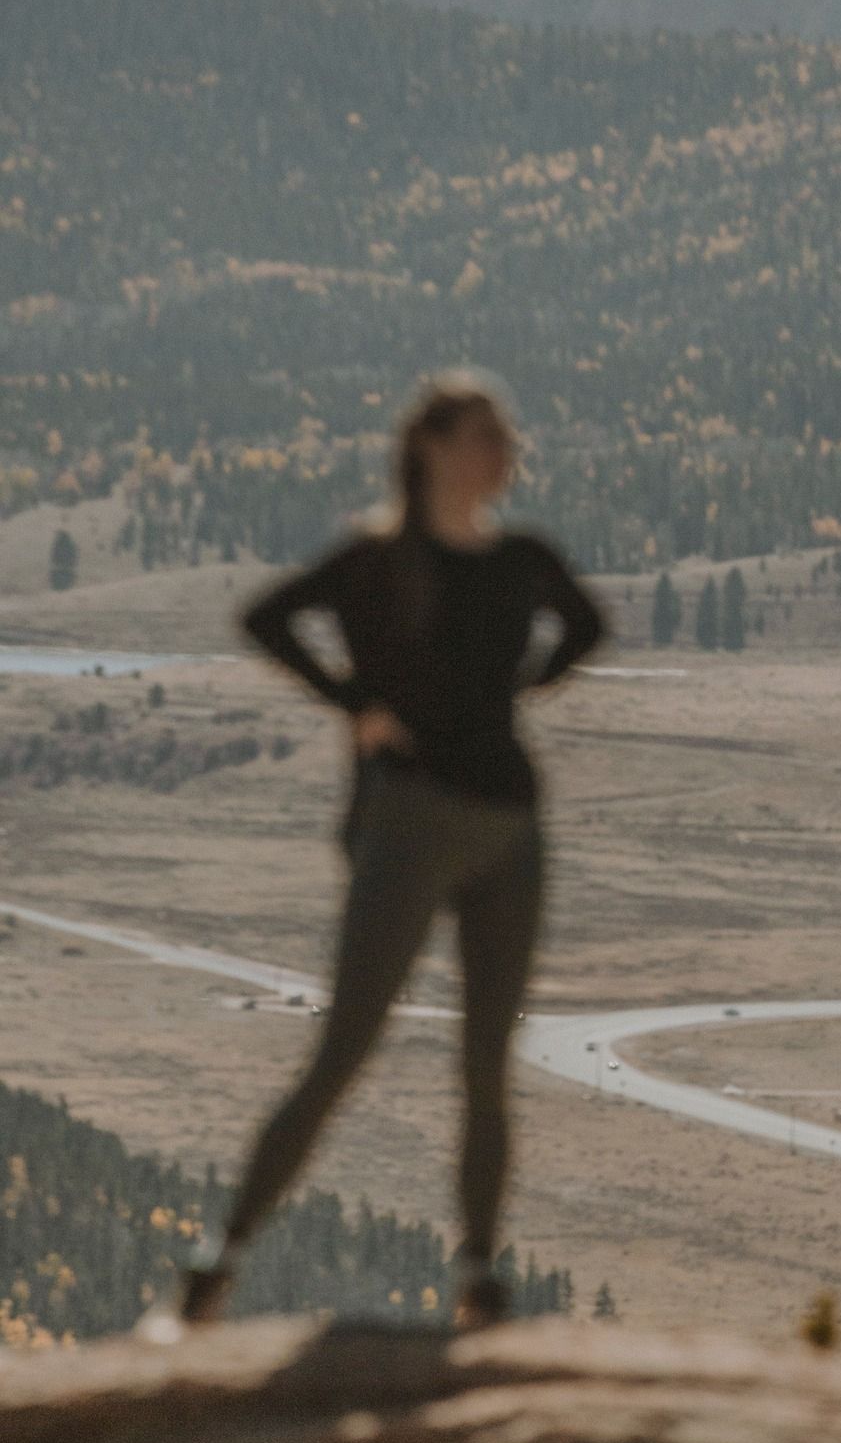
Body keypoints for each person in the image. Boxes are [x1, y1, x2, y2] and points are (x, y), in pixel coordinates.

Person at [180, 369, 607, 1328]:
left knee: (488, 1062)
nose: (505, 453)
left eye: (506, 437)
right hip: (410, 821)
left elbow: (589, 626)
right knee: (345, 1049)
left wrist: (527, 687)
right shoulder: (377, 562)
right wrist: (355, 705)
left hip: (509, 827)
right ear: (433, 449)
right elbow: (264, 618)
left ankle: (480, 1278)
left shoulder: (522, 558)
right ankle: (220, 1259)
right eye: (486, 436)